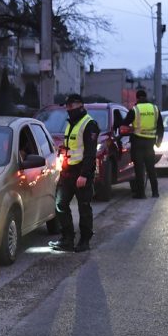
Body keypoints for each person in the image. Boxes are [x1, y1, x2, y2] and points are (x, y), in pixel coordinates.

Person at [48, 94, 100, 253]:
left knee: (84, 207)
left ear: (80, 105)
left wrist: (84, 175)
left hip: (81, 172)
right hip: (68, 171)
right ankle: (67, 239)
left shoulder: (89, 124)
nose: (69, 109)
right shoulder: (71, 123)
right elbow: (73, 145)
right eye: (67, 106)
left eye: (71, 105)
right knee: (60, 204)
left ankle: (84, 241)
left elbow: (90, 153)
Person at [122, 89, 164, 198]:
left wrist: (120, 121)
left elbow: (125, 123)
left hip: (138, 143)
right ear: (146, 97)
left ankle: (141, 194)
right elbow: (160, 127)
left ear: (137, 98)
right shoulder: (155, 109)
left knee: (139, 169)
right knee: (151, 169)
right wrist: (159, 142)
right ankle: (155, 192)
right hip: (150, 144)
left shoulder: (135, 110)